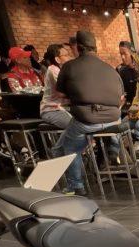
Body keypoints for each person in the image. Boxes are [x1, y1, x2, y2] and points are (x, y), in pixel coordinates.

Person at [53, 31, 125, 195]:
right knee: (67, 141)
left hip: (87, 120)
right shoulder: (110, 69)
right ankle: (113, 147)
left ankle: (76, 186)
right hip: (113, 119)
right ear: (96, 48)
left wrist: (76, 95)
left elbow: (59, 94)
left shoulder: (69, 66)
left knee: (69, 147)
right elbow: (121, 98)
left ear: (78, 47)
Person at [39, 43, 73, 128]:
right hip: (52, 110)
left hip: (66, 108)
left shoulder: (66, 70)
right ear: (57, 59)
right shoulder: (53, 69)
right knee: (76, 126)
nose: (70, 57)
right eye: (66, 55)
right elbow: (66, 89)